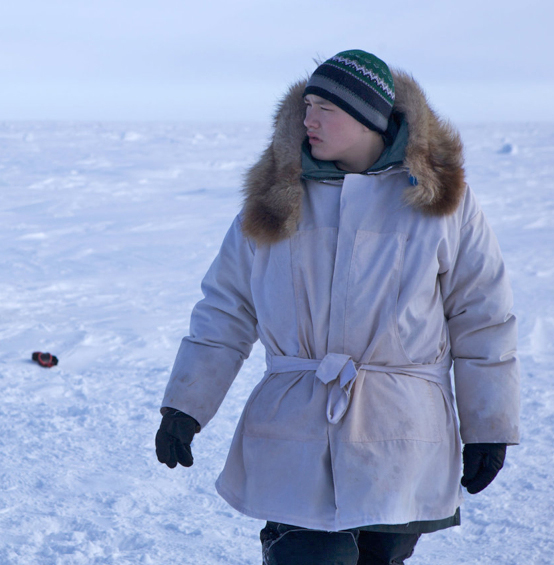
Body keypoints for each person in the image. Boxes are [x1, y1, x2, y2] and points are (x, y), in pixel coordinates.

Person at [154, 49, 520, 564]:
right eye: (307, 105)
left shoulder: (441, 200)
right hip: (295, 432)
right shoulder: (274, 198)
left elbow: (482, 317)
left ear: (369, 117)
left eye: (326, 107)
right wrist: (185, 405)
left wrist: (490, 428)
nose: (309, 119)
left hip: (400, 437)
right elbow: (226, 310)